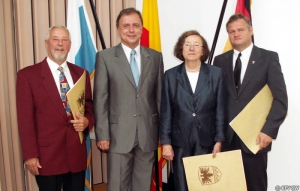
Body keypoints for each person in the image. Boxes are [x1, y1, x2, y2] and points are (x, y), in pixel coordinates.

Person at [213, 13, 288, 191]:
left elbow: (280, 99)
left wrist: (268, 130)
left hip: (255, 138)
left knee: (256, 187)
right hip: (226, 139)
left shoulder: (268, 58)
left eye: (240, 30)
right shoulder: (219, 61)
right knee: (227, 188)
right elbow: (215, 100)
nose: (236, 34)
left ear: (251, 30)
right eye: (232, 31)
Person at [93, 8, 164, 191]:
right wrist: (103, 134)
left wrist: (162, 133)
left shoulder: (155, 57)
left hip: (148, 135)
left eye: (135, 25)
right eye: (126, 26)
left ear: (141, 29)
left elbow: (159, 97)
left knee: (142, 185)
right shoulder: (105, 57)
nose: (131, 30)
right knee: (117, 186)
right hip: (117, 136)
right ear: (118, 29)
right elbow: (101, 98)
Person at [16, 25, 94, 191]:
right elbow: (25, 121)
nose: (60, 43)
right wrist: (30, 155)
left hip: (76, 155)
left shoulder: (81, 73)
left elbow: (88, 105)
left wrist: (87, 120)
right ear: (46, 43)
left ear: (69, 45)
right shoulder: (27, 76)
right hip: (46, 158)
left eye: (64, 40)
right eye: (55, 39)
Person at [160, 30, 226, 191]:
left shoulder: (216, 74)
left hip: (207, 140)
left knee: (205, 185)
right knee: (182, 184)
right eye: (187, 44)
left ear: (203, 50)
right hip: (180, 141)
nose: (192, 48)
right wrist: (166, 143)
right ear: (181, 49)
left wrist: (219, 140)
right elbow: (166, 111)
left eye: (196, 45)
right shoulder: (170, 75)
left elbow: (220, 109)